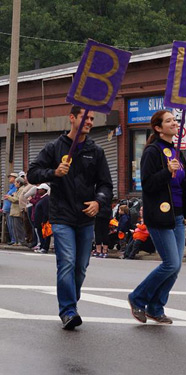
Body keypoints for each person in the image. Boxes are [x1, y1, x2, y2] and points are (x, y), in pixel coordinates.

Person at [28, 105, 113, 330]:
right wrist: (54, 173)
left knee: (81, 267)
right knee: (66, 262)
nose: (89, 122)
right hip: (61, 216)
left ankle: (71, 303)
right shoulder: (54, 147)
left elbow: (105, 184)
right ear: (72, 118)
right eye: (85, 118)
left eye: (92, 119)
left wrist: (98, 201)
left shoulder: (96, 151)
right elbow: (32, 173)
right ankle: (67, 311)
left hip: (86, 218)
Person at [127, 110, 186, 325]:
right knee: (171, 263)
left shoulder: (177, 152)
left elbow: (182, 186)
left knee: (176, 265)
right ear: (158, 128)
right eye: (169, 121)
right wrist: (167, 173)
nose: (174, 123)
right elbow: (148, 184)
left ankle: (155, 307)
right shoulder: (152, 151)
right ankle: (137, 297)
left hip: (178, 215)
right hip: (159, 216)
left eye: (175, 120)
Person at [5, 177, 26, 245]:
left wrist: (9, 197)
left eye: (16, 182)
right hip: (14, 210)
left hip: (17, 210)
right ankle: (17, 241)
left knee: (18, 227)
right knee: (15, 227)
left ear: (19, 183)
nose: (15, 184)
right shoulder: (18, 189)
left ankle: (21, 241)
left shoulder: (21, 189)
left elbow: (17, 199)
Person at [32, 184, 51, 254]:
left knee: (45, 235)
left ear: (44, 190)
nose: (38, 191)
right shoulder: (42, 198)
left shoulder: (46, 199)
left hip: (43, 221)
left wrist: (44, 221)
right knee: (40, 235)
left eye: (39, 189)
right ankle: (42, 246)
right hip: (38, 221)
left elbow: (46, 211)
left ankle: (45, 247)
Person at [2, 172, 17, 245]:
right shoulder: (11, 188)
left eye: (11, 177)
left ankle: (14, 240)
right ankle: (12, 239)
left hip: (11, 209)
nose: (9, 178)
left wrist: (8, 197)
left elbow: (14, 198)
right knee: (9, 225)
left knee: (12, 226)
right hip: (7, 209)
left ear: (15, 178)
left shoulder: (15, 188)